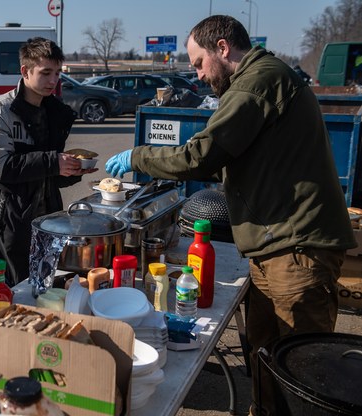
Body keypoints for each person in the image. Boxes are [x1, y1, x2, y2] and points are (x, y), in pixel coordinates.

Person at [105, 15, 357, 416]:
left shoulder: (258, 81)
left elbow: (202, 154)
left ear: (222, 48)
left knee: (305, 374)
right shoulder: (259, 80)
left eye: (199, 63)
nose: (199, 75)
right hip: (274, 246)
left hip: (296, 249)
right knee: (264, 354)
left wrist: (138, 157)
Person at [0, 37, 96, 287]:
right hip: (8, 223)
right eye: (45, 73)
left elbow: (45, 172)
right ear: (25, 71)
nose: (54, 81)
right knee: (13, 291)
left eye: (57, 73)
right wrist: (54, 162)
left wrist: (70, 170)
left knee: (43, 288)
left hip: (47, 221)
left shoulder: (53, 111)